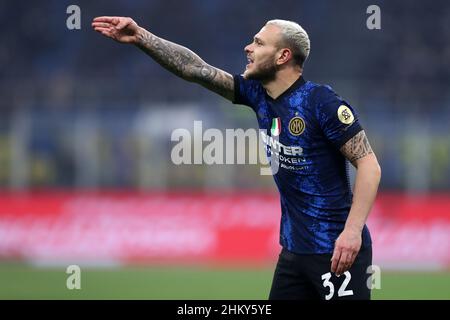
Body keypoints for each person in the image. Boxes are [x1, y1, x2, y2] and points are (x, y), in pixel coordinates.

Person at [92, 16, 381, 300]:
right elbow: (195, 69)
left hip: (338, 251)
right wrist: (141, 37)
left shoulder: (321, 102)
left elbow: (369, 164)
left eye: (258, 43)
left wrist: (352, 232)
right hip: (294, 253)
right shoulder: (257, 94)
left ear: (283, 55)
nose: (248, 48)